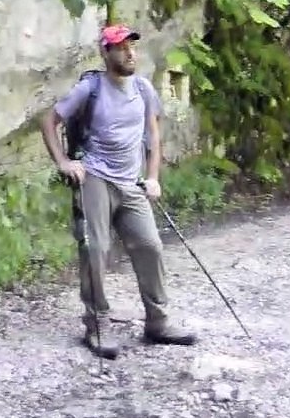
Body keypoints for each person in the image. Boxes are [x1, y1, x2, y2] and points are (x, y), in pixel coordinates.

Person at [39, 24, 198, 358]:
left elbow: (152, 137)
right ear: (106, 52)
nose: (129, 53)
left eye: (132, 47)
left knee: (151, 246)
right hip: (95, 176)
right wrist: (64, 162)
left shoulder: (142, 89)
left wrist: (153, 177)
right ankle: (96, 325)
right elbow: (49, 121)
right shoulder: (90, 88)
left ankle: (158, 323)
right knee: (95, 248)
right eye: (121, 47)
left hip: (131, 182)